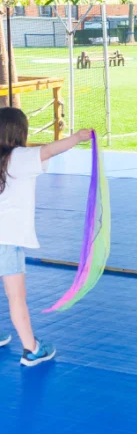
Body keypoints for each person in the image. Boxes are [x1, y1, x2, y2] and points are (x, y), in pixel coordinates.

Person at [0, 106, 91, 366]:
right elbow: (49, 151)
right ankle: (32, 349)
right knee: (16, 297)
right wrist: (77, 138)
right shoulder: (20, 157)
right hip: (7, 240)